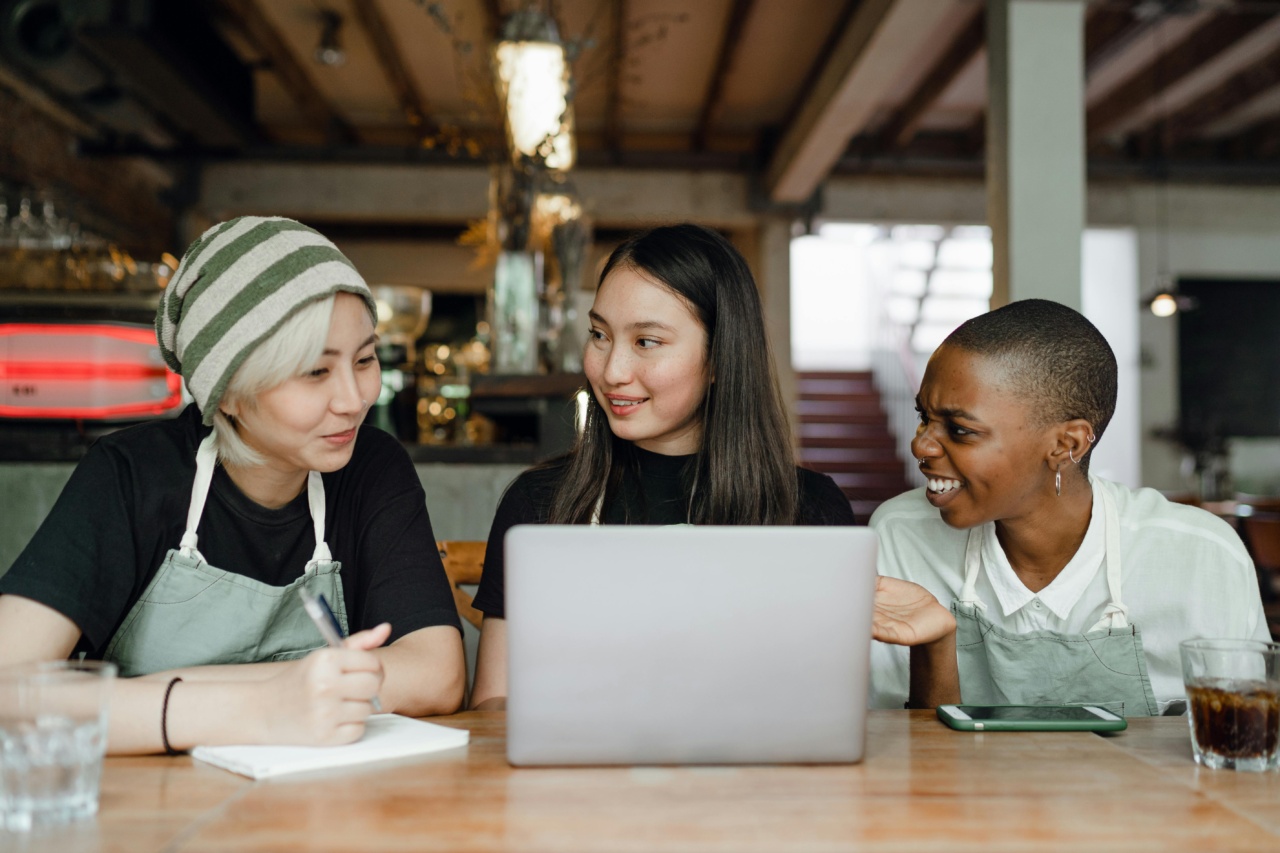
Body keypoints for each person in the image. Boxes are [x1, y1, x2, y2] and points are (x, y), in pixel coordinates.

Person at [0, 216, 465, 753]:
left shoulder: (371, 467)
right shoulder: (130, 475)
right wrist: (264, 708)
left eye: (365, 360)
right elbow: (12, 691)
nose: (354, 399)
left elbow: (436, 675)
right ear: (228, 394)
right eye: (316, 372)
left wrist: (143, 700)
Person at [469, 223, 957, 710]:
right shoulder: (540, 502)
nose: (612, 369)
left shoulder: (808, 509)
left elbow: (827, 710)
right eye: (599, 334)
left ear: (721, 357)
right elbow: (493, 703)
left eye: (647, 342)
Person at [869, 298, 1270, 716]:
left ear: (1067, 444)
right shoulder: (901, 535)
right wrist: (934, 649)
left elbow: (1241, 744)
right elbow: (904, 749)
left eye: (960, 430)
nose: (922, 444)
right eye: (923, 416)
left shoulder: (1201, 555)